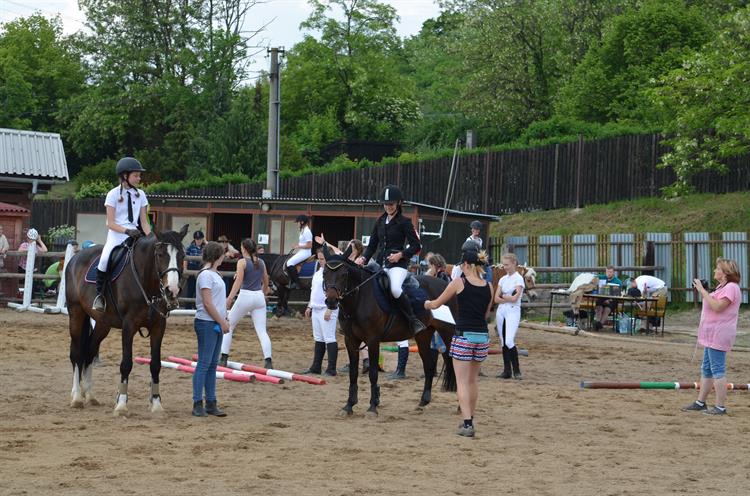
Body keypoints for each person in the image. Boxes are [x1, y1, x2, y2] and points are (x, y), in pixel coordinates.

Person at [424, 249, 493, 438]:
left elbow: (437, 304)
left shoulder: (459, 283)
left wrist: (426, 304)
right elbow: (486, 314)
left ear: (466, 265)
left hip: (463, 336)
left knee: (462, 382)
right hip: (482, 337)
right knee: (472, 380)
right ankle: (471, 416)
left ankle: (468, 423)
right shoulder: (489, 286)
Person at [356, 185, 426, 335]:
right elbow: (372, 244)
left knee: (394, 289)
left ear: (398, 203)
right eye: (386, 204)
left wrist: (401, 255)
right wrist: (363, 258)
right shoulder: (380, 221)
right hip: (380, 263)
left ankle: (412, 320)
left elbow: (416, 245)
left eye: (391, 204)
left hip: (398, 265)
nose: (388, 207)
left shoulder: (405, 222)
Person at [681, 258, 742, 416]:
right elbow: (712, 301)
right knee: (707, 369)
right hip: (712, 334)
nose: (715, 270)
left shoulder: (731, 288)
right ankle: (701, 402)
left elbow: (717, 307)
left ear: (725, 273)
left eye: (718, 268)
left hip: (719, 334)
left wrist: (702, 290)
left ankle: (720, 407)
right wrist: (705, 291)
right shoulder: (723, 287)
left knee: (717, 370)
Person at [93, 157, 151, 312]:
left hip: (136, 234)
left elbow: (144, 222)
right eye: (136, 175)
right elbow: (110, 223)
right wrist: (127, 231)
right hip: (117, 233)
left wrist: (151, 237)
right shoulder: (112, 194)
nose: (139, 178)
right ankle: (99, 296)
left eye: (139, 175)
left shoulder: (141, 195)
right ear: (125, 176)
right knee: (104, 259)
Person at [221, 238, 272, 369]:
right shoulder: (261, 262)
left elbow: (238, 282)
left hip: (245, 296)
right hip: (259, 297)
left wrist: (230, 298)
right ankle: (268, 361)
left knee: (229, 326)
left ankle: (224, 358)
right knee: (262, 331)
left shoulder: (242, 262)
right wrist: (263, 293)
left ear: (244, 249)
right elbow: (266, 280)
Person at [192, 241, 230, 418]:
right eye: (222, 254)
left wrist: (223, 318)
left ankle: (211, 402)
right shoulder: (206, 275)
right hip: (207, 322)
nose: (224, 257)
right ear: (216, 256)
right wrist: (221, 321)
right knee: (204, 363)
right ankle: (198, 402)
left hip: (214, 322)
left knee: (212, 364)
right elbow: (207, 303)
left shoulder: (215, 274)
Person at [303, 248, 339, 376]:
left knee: (329, 337)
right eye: (319, 258)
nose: (320, 261)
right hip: (316, 308)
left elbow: (335, 293)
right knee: (318, 338)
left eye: (323, 259)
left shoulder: (332, 273)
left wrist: (330, 309)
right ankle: (316, 366)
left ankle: (331, 368)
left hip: (327, 308)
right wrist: (309, 306)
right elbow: (314, 290)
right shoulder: (318, 272)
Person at [494, 253, 525, 379]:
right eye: (503, 265)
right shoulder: (503, 279)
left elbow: (515, 298)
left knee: (509, 340)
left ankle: (517, 370)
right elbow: (496, 298)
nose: (505, 267)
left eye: (507, 265)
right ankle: (507, 370)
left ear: (513, 264)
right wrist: (507, 298)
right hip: (501, 310)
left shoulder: (518, 278)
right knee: (503, 342)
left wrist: (505, 297)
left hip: (513, 310)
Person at [285, 215, 313, 289]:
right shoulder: (303, 230)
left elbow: (309, 245)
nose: (297, 224)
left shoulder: (307, 231)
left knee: (289, 263)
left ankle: (296, 283)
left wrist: (298, 246)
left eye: (298, 222)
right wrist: (297, 245)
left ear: (302, 222)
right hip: (302, 251)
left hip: (306, 252)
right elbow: (303, 243)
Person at [592, 266, 622, 330]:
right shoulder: (601, 278)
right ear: (605, 272)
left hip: (612, 300)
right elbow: (593, 277)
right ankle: (598, 322)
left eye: (610, 272)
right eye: (607, 272)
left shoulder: (618, 281)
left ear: (613, 272)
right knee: (599, 305)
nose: (609, 273)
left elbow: (618, 294)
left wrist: (609, 299)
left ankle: (600, 324)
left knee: (607, 308)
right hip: (601, 298)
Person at [184, 230, 206, 309]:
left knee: (199, 289)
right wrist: (185, 269)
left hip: (201, 268)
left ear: (202, 239)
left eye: (200, 239)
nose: (198, 241)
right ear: (194, 239)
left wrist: (206, 242)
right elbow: (185, 259)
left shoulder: (205, 247)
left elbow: (210, 247)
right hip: (192, 267)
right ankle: (188, 307)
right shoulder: (190, 247)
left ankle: (197, 307)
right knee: (191, 288)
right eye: (197, 239)